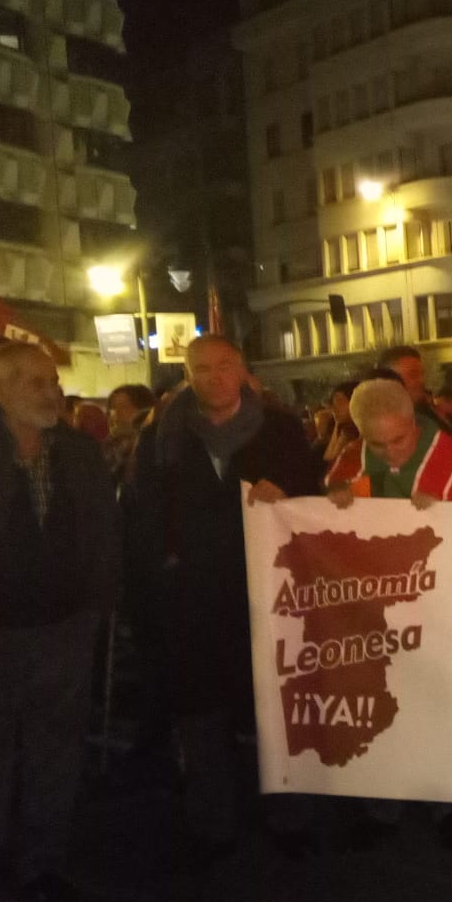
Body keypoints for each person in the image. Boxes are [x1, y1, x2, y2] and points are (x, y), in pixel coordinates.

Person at [129, 336, 322, 866]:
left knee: (276, 711)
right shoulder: (159, 435)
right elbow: (143, 514)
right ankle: (212, 824)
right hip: (191, 596)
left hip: (268, 591)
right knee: (202, 713)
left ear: (242, 370)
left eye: (223, 366)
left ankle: (290, 816)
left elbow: (313, 497)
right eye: (201, 369)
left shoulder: (280, 430)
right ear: (186, 375)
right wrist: (152, 586)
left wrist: (286, 489)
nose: (214, 377)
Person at [0, 343, 119, 902]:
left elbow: (104, 533)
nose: (49, 391)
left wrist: (95, 609)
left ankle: (41, 866)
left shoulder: (78, 451)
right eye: (32, 382)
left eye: (51, 380)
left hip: (63, 631)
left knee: (56, 753)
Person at [326, 379, 452, 848]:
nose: (391, 453)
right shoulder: (355, 456)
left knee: (437, 704)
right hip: (379, 606)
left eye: (400, 440)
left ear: (415, 425)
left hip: (441, 607)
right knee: (382, 701)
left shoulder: (446, 456)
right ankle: (384, 802)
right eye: (378, 443)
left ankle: (446, 802)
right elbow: (335, 495)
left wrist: (443, 515)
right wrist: (337, 498)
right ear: (361, 436)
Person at [377, 345, 452, 434]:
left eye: (422, 374)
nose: (422, 380)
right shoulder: (371, 426)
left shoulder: (432, 422)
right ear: (388, 380)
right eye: (412, 374)